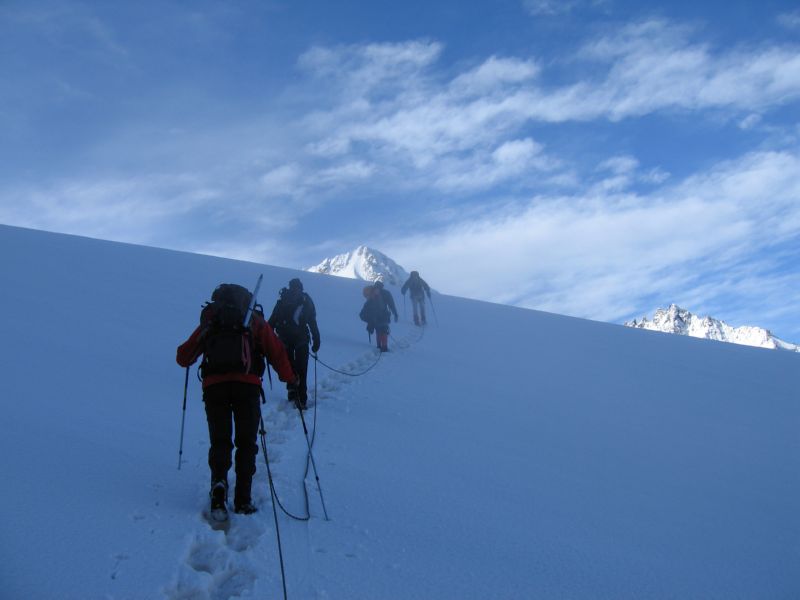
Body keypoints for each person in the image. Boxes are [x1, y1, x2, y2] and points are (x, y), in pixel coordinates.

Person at [176, 282, 296, 520]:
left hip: (214, 388)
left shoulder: (213, 319)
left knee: (220, 441)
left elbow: (183, 357)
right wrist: (290, 378)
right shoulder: (253, 319)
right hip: (248, 387)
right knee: (246, 443)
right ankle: (243, 498)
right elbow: (277, 350)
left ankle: (219, 487)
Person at [268, 278, 320, 411]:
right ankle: (301, 399)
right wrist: (316, 339)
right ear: (301, 287)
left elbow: (271, 322)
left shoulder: (282, 301)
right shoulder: (305, 300)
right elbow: (312, 321)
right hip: (301, 339)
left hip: (284, 339)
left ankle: (292, 391)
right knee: (302, 368)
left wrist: (268, 341)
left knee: (289, 366)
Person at [359, 280, 396, 352]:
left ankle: (379, 346)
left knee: (379, 331)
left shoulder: (370, 297)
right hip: (383, 316)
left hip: (376, 319)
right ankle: (384, 347)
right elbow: (391, 304)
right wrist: (395, 313)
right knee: (384, 331)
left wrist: (370, 320)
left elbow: (362, 314)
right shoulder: (385, 293)